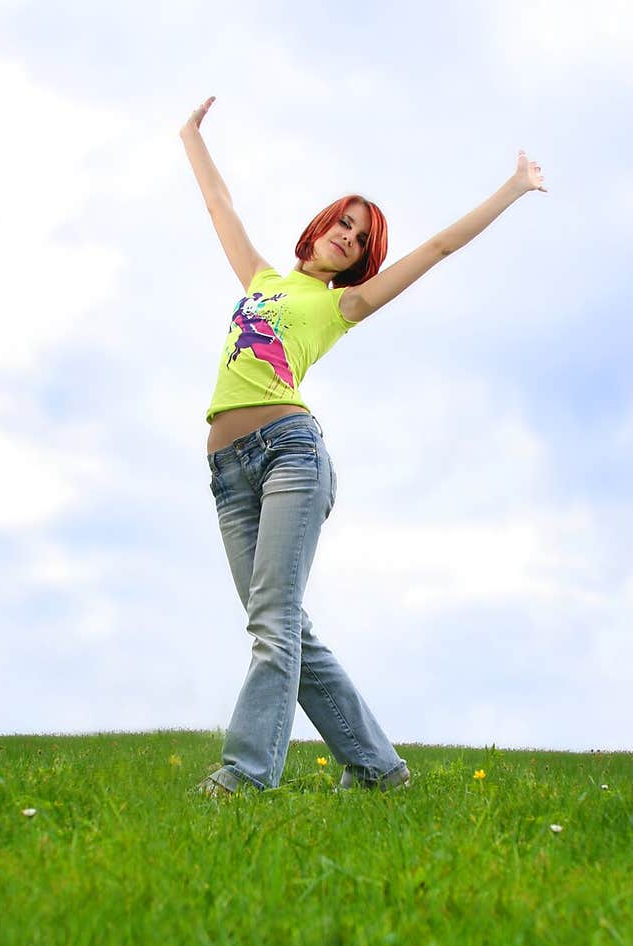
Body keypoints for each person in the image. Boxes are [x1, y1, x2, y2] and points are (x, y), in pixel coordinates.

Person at [180, 96, 547, 797]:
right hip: (227, 472)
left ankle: (245, 773)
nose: (347, 236)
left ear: (362, 257)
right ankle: (379, 768)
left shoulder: (344, 304)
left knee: (273, 623)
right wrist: (190, 135)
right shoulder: (261, 279)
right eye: (341, 223)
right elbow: (218, 204)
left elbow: (436, 249)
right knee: (283, 626)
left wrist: (513, 187)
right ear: (318, 229)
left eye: (360, 236)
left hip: (290, 454)